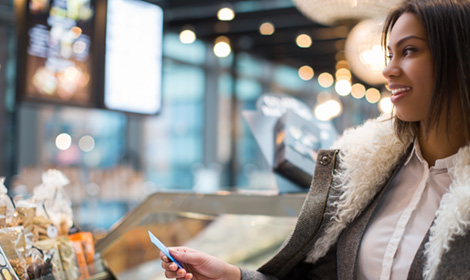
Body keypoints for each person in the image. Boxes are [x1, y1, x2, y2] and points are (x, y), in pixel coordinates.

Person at [160, 0, 470, 279]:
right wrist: (231, 277)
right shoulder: (368, 172)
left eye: (410, 50)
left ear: (459, 57)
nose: (388, 69)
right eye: (390, 54)